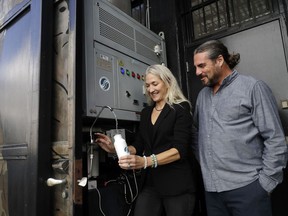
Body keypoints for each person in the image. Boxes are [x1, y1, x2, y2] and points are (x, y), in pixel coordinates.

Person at [193, 40, 288, 216]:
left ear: (219, 60)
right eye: (196, 67)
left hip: (249, 189)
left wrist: (265, 184)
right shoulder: (202, 97)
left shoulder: (253, 87)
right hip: (213, 193)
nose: (197, 72)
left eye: (201, 66)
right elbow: (197, 134)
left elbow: (274, 138)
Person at [95, 64, 196, 216]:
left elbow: (179, 150)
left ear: (168, 82)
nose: (151, 89)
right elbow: (139, 145)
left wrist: (146, 161)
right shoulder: (146, 112)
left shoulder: (180, 109)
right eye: (148, 85)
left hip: (177, 185)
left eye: (155, 84)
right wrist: (114, 149)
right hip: (151, 183)